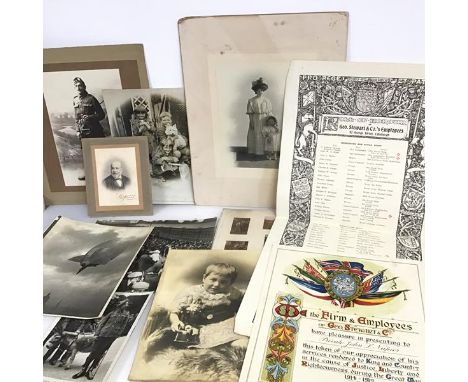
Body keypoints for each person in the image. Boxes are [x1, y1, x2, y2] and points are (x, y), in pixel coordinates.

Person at [147, 263, 247, 351]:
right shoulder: (191, 292)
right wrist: (176, 321)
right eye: (213, 280)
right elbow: (174, 310)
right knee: (173, 341)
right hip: (198, 326)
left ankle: (226, 345)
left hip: (223, 326)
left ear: (230, 284)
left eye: (223, 282)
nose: (216, 285)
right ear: (204, 278)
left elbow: (244, 299)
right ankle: (210, 347)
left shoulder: (231, 292)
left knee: (241, 344)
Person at [72, 298, 132, 380]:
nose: (127, 305)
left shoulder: (126, 314)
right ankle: (83, 370)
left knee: (100, 354)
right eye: (125, 304)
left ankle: (90, 370)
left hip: (112, 337)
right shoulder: (111, 312)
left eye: (127, 304)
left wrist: (117, 335)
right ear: (121, 305)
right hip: (102, 335)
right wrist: (97, 334)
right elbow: (102, 323)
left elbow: (123, 326)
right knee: (93, 352)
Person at [73, 77, 106, 181]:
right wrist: (78, 130)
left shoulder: (91, 99)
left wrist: (90, 117)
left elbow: (101, 115)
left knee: (99, 153)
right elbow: (76, 117)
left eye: (80, 85)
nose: (78, 88)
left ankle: (103, 175)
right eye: (76, 86)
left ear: (84, 86)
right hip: (83, 132)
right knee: (87, 154)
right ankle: (89, 174)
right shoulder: (75, 100)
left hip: (95, 130)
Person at [246, 77, 273, 159]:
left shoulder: (266, 100)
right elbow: (250, 113)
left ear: (263, 91)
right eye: (258, 90)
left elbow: (269, 112)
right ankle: (257, 153)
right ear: (255, 91)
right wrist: (251, 122)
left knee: (265, 134)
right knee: (257, 134)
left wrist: (271, 122)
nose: (260, 92)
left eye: (261, 90)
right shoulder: (251, 101)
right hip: (256, 118)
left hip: (265, 118)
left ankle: (266, 153)